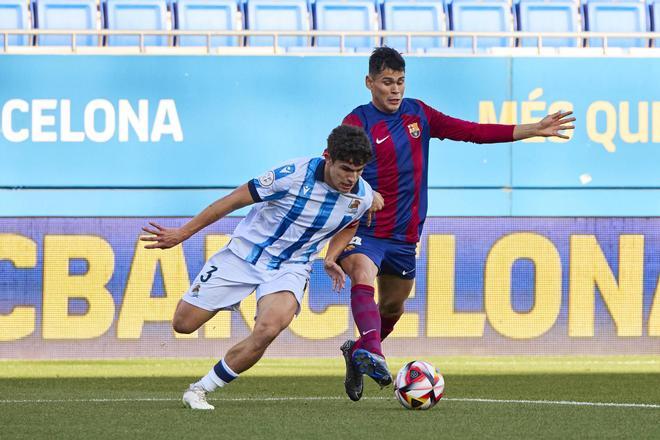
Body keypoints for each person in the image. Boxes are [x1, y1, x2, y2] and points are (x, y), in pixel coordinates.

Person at [326, 46, 576, 401]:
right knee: (363, 276)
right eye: (386, 82)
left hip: (404, 235)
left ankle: (360, 350)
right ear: (369, 83)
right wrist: (361, 194)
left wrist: (532, 129)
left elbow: (471, 131)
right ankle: (375, 354)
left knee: (394, 307)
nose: (395, 89)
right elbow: (333, 168)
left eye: (399, 81)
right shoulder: (357, 121)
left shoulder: (419, 114)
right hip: (366, 230)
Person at [141, 125, 378, 410]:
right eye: (345, 169)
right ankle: (228, 297)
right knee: (184, 324)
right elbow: (232, 201)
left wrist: (331, 256)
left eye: (358, 171)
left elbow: (351, 223)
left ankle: (200, 389)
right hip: (243, 255)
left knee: (269, 329)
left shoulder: (361, 196)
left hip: (292, 266)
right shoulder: (291, 175)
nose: (351, 178)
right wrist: (182, 233)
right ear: (327, 157)